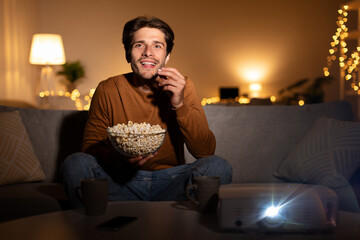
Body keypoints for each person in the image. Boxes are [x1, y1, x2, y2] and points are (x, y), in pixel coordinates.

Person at [62, 16, 232, 208]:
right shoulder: (108, 88)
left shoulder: (183, 86)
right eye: (139, 45)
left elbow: (205, 152)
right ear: (128, 54)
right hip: (120, 181)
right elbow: (89, 147)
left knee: (218, 166)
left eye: (157, 46)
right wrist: (120, 158)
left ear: (167, 56)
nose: (148, 53)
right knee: (75, 163)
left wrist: (179, 103)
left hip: (172, 180)